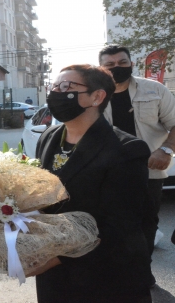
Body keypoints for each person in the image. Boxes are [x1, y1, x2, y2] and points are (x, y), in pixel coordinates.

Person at [33, 64, 152, 302]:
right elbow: (37, 194)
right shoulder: (49, 136)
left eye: (67, 86)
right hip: (54, 280)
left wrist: (52, 260)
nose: (57, 92)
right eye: (55, 86)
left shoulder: (126, 150)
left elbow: (120, 228)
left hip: (105, 278)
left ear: (97, 97)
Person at [98, 44, 175, 269]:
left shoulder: (155, 90)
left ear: (132, 63)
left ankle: (142, 271)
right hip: (107, 171)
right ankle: (117, 272)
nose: (117, 68)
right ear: (101, 68)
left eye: (122, 63)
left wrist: (166, 149)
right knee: (109, 223)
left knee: (146, 223)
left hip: (148, 169)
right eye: (110, 65)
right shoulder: (92, 94)